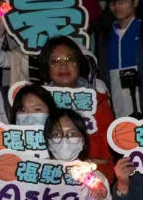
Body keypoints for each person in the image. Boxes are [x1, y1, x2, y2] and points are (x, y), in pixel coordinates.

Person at [34, 36, 115, 176]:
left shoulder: (97, 99)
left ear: (79, 63)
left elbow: (106, 152)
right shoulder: (37, 102)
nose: (63, 65)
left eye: (69, 59)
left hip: (89, 176)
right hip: (49, 176)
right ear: (47, 67)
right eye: (55, 61)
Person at [100, 0, 143, 119]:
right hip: (116, 99)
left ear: (135, 2)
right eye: (113, 1)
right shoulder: (106, 34)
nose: (117, 6)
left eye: (123, 0)